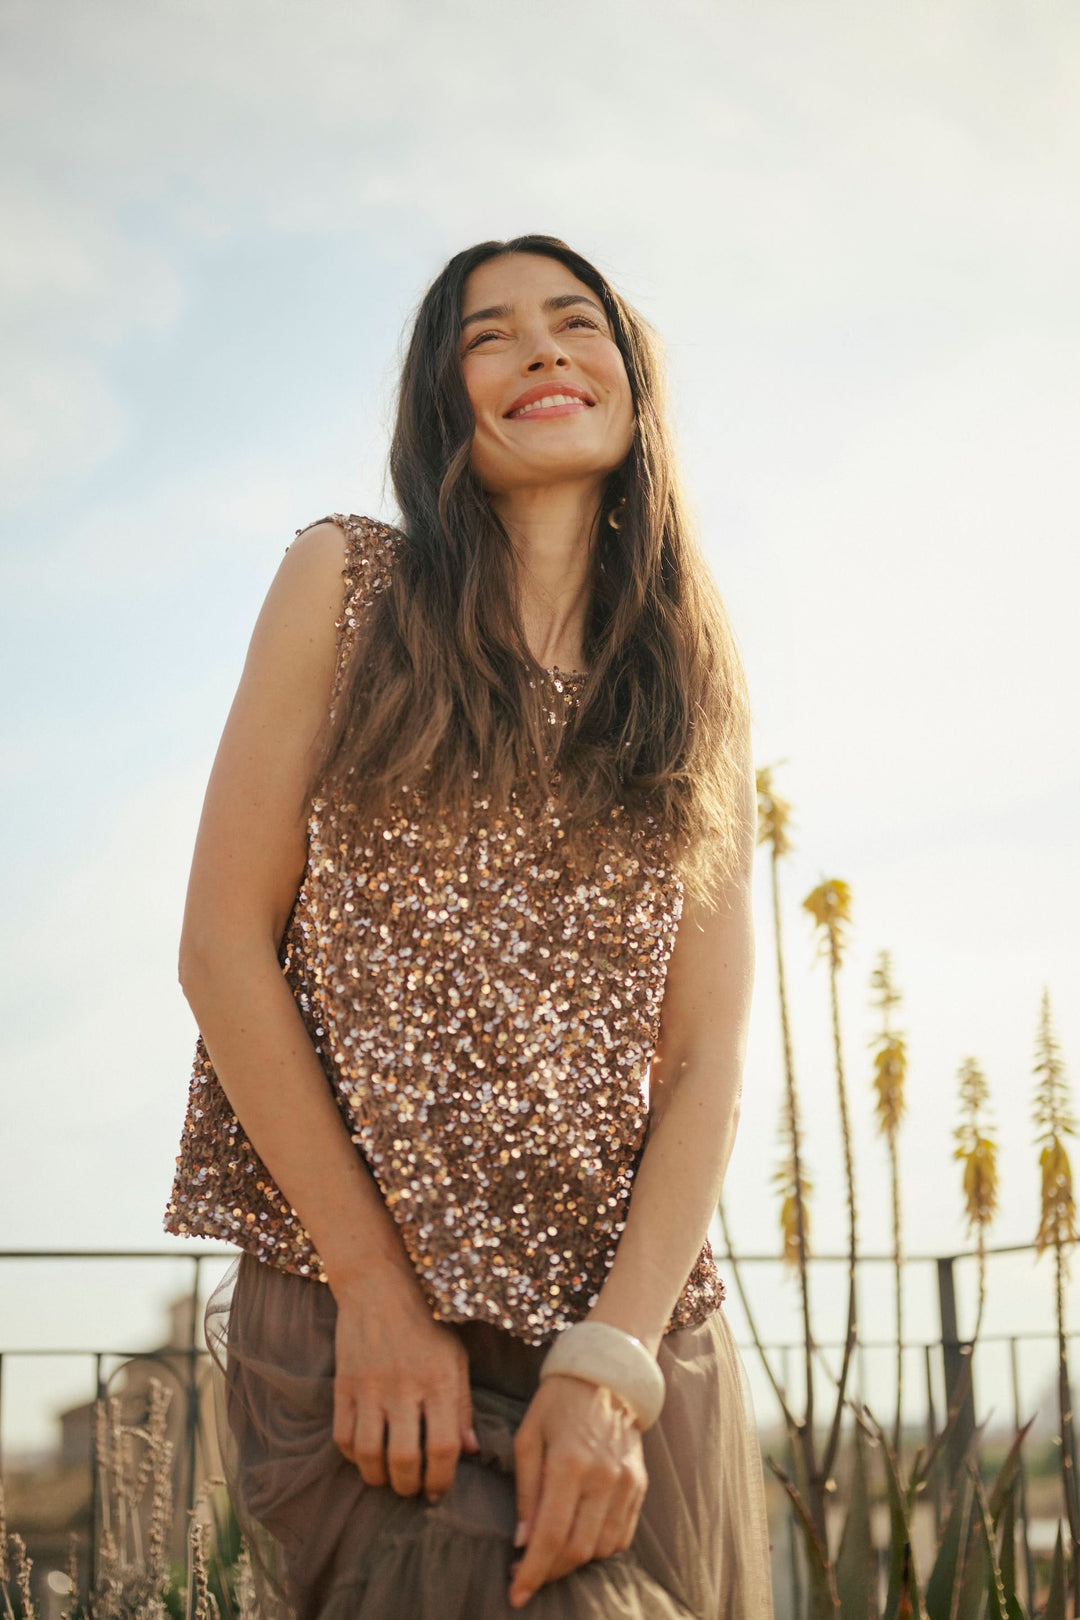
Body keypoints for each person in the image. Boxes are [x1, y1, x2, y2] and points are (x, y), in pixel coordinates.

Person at [165, 234, 774, 1619]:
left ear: (632, 384)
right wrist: (374, 1293)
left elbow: (706, 1064)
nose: (546, 350)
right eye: (490, 334)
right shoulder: (346, 583)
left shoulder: (693, 676)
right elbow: (221, 945)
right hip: (359, 1323)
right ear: (447, 402)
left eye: (578, 322)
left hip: (623, 1334)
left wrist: (611, 1365)